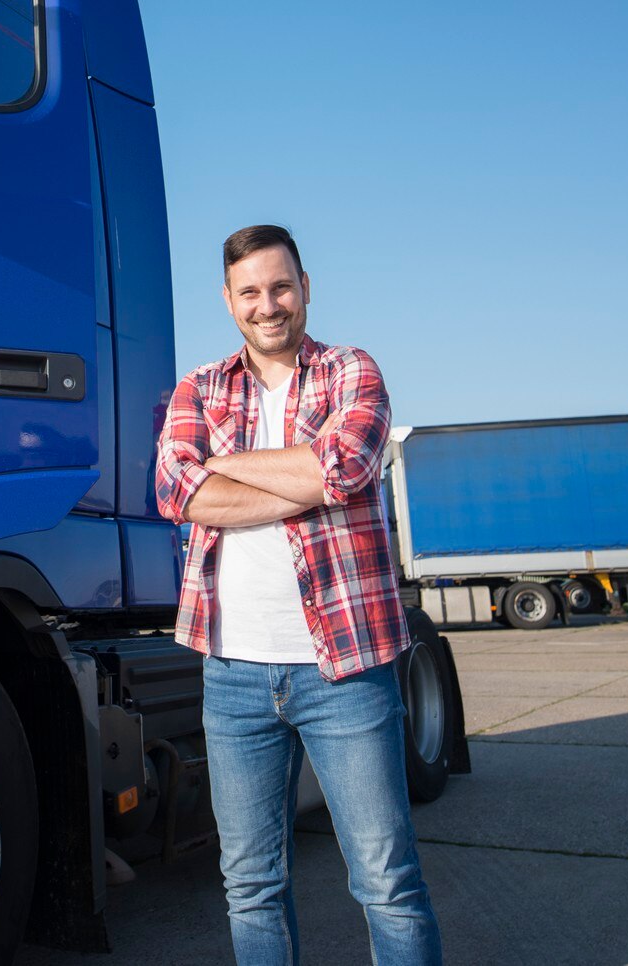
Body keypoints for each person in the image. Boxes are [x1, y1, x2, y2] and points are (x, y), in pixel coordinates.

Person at [156, 224, 443, 966]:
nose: (268, 305)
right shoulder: (201, 386)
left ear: (305, 286)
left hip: (344, 670)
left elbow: (345, 469)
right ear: (228, 300)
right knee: (250, 886)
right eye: (249, 291)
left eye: (280, 286)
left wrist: (226, 463)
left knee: (386, 884)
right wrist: (301, 479)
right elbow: (176, 489)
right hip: (233, 674)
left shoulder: (352, 370)